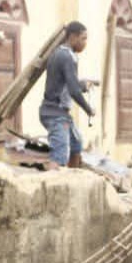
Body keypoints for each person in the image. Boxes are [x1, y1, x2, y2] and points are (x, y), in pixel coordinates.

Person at [40, 21, 96, 170]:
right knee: (59, 155)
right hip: (55, 114)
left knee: (76, 145)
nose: (85, 43)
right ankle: (53, 181)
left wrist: (83, 85)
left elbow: (66, 84)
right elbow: (73, 90)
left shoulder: (60, 53)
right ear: (72, 37)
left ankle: (73, 178)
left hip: (59, 113)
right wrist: (88, 109)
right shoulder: (66, 56)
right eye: (83, 38)